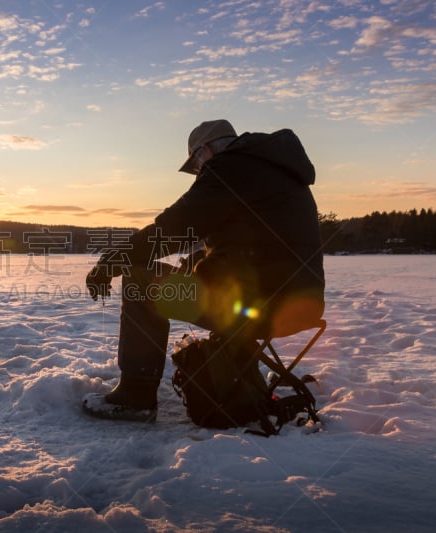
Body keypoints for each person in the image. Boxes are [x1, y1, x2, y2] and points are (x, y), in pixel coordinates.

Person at [83, 119, 325, 421]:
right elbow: (246, 244)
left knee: (139, 278)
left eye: (196, 165)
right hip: (300, 303)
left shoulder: (230, 168)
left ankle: (136, 395)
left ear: (206, 150)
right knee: (166, 275)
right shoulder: (273, 170)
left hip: (260, 305)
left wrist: (113, 260)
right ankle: (235, 379)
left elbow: (173, 229)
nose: (198, 173)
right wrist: (195, 263)